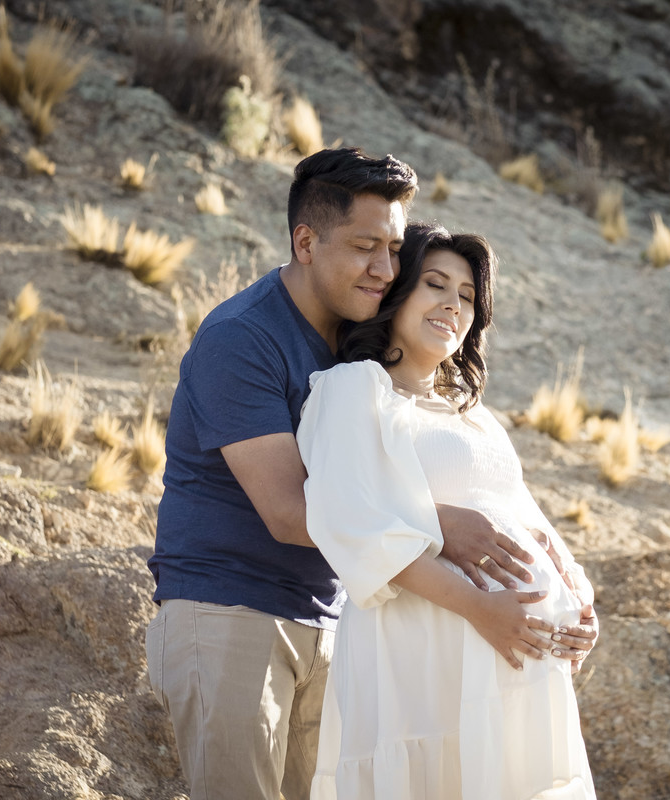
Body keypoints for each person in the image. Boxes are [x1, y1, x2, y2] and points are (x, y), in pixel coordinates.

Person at [145, 148, 597, 800]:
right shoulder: (243, 339)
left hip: (330, 616)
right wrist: (442, 527)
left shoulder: (355, 345)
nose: (384, 269)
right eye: (365, 248)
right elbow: (290, 508)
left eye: (392, 249)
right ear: (306, 241)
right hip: (230, 613)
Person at [297, 222, 597, 799]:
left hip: (509, 670)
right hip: (420, 655)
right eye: (435, 284)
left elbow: (524, 516)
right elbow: (358, 526)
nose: (452, 305)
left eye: (466, 296)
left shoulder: (473, 414)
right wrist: (480, 607)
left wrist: (578, 600)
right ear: (396, 292)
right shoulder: (355, 390)